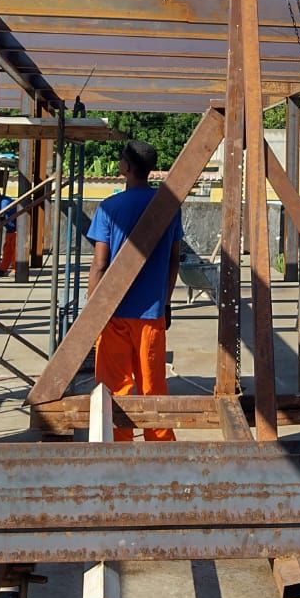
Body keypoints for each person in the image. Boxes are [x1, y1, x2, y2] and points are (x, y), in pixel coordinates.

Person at [87, 140, 185, 441]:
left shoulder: (109, 207)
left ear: (125, 167)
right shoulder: (168, 208)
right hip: (151, 314)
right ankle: (160, 451)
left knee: (115, 387)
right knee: (153, 387)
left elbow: (100, 264)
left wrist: (92, 310)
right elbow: (173, 260)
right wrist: (165, 302)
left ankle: (119, 449)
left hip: (113, 313)